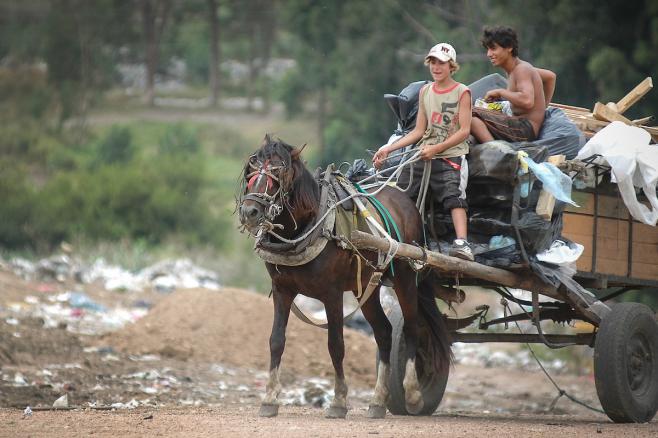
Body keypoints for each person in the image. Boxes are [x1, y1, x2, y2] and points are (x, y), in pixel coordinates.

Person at [373, 43, 474, 261]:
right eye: (433, 62)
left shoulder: (462, 92)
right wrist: (388, 148)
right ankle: (396, 237)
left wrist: (437, 148)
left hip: (451, 155)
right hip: (423, 153)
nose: (437, 67)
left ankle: (463, 243)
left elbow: (464, 131)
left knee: (454, 196)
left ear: (452, 66)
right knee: (400, 193)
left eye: (442, 63)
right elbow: (418, 131)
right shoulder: (425, 91)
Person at [471, 26, 556, 143]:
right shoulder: (517, 68)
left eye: (493, 48)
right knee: (473, 117)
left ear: (509, 47)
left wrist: (501, 92)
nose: (489, 54)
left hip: (524, 130)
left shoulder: (522, 70)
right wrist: (543, 108)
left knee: (469, 113)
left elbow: (527, 101)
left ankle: (497, 151)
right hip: (519, 125)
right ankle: (495, 147)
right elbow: (550, 76)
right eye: (487, 49)